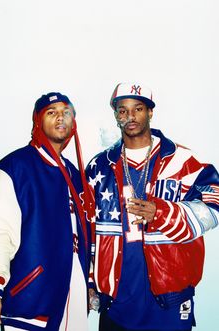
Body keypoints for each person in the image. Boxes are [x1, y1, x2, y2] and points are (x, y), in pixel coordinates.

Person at [87, 82, 219, 331]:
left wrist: (162, 212)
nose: (130, 116)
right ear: (116, 115)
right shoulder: (100, 167)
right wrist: (91, 280)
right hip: (118, 302)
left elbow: (214, 205)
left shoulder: (180, 161)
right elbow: (89, 229)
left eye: (138, 109)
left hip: (169, 300)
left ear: (150, 112)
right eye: (123, 110)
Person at [0, 92, 93, 330]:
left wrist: (89, 281)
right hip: (31, 294)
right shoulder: (15, 167)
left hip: (72, 291)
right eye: (51, 113)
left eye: (66, 112)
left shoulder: (75, 174)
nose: (60, 118)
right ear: (38, 121)